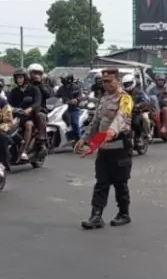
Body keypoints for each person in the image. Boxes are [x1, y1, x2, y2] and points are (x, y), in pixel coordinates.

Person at [80, 69, 134, 230]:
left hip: (120, 146)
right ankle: (96, 216)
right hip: (104, 146)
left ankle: (124, 214)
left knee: (120, 183)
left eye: (109, 80)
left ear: (117, 81)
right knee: (101, 182)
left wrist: (112, 131)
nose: (106, 84)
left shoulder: (125, 98)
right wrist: (85, 138)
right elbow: (95, 121)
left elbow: (122, 116)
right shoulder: (104, 99)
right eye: (103, 81)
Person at [8, 68, 41, 161]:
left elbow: (37, 102)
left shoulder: (34, 89)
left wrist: (30, 108)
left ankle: (24, 151)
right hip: (17, 116)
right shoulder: (14, 91)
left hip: (30, 116)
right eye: (17, 78)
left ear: (26, 78)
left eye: (21, 77)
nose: (19, 79)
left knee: (28, 125)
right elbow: (8, 103)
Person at [124, 73, 152, 146]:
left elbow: (145, 100)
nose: (127, 86)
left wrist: (139, 105)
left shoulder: (139, 91)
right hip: (125, 113)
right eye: (126, 84)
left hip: (137, 112)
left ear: (133, 82)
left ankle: (139, 137)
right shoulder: (123, 93)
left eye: (129, 84)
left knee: (136, 123)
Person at [27, 63, 51, 143]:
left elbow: (48, 95)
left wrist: (40, 84)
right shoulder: (26, 85)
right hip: (27, 109)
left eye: (39, 73)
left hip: (40, 109)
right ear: (29, 74)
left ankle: (42, 139)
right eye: (34, 73)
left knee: (41, 115)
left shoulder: (43, 85)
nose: (36, 75)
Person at [57, 72, 84, 141]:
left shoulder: (75, 87)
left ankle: (78, 139)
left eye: (64, 79)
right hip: (62, 109)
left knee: (74, 123)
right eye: (62, 79)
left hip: (73, 109)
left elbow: (80, 96)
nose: (62, 81)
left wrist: (76, 100)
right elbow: (55, 97)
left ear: (69, 79)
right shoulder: (61, 88)